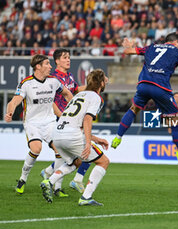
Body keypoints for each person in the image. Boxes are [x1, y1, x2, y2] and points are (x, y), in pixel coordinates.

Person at [110, 32, 178, 168]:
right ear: (176, 42)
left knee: (134, 109)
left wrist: (128, 45)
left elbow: (128, 51)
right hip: (160, 87)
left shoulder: (150, 47)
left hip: (143, 85)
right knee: (174, 121)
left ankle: (118, 137)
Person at [5, 54, 73, 194]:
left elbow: (66, 93)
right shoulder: (26, 83)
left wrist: (75, 106)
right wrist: (9, 112)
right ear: (38, 66)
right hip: (32, 123)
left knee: (59, 149)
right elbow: (14, 101)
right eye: (47, 64)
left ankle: (56, 187)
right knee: (36, 149)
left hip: (50, 122)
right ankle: (23, 179)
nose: (50, 66)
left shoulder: (53, 81)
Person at [40, 69, 109, 205]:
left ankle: (49, 181)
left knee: (76, 162)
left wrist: (96, 139)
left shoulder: (78, 95)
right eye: (105, 79)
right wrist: (88, 143)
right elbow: (87, 120)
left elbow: (77, 122)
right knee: (103, 162)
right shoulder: (96, 98)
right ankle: (86, 197)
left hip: (58, 134)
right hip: (72, 135)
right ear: (101, 83)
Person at [40, 48, 88, 195]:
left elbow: (74, 91)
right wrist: (61, 116)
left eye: (69, 57)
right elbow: (50, 101)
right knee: (67, 154)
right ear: (57, 61)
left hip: (67, 119)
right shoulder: (52, 78)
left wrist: (94, 84)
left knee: (69, 154)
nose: (68, 60)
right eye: (65, 57)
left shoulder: (70, 76)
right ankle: (57, 186)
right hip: (55, 119)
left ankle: (49, 173)